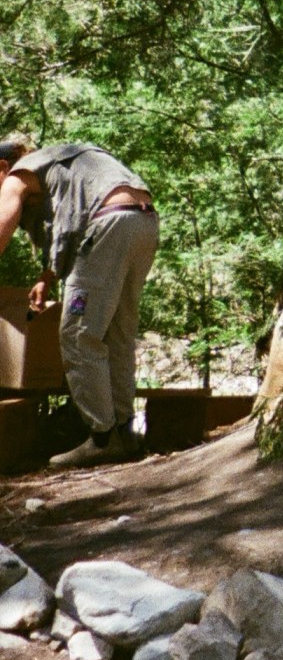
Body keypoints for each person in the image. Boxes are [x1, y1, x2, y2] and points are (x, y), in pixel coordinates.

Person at [0, 135, 159, 470]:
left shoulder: (16, 175)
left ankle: (102, 438)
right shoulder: (59, 160)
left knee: (77, 334)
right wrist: (48, 276)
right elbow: (70, 224)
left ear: (2, 166)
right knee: (117, 333)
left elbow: (2, 226)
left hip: (109, 224)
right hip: (143, 220)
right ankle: (124, 432)